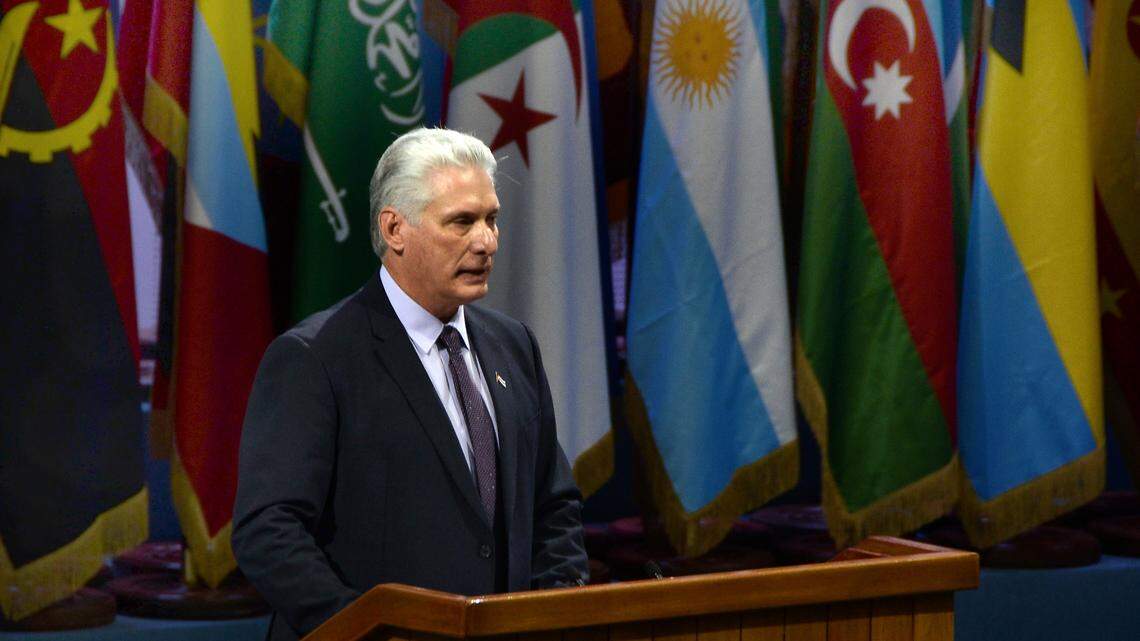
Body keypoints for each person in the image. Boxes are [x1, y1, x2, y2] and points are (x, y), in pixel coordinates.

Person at [232, 128, 589, 641]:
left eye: (491, 219)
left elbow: (553, 503)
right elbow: (268, 531)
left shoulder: (514, 346)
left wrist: (552, 612)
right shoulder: (316, 357)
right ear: (395, 229)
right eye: (461, 222)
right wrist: (365, 629)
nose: (486, 241)